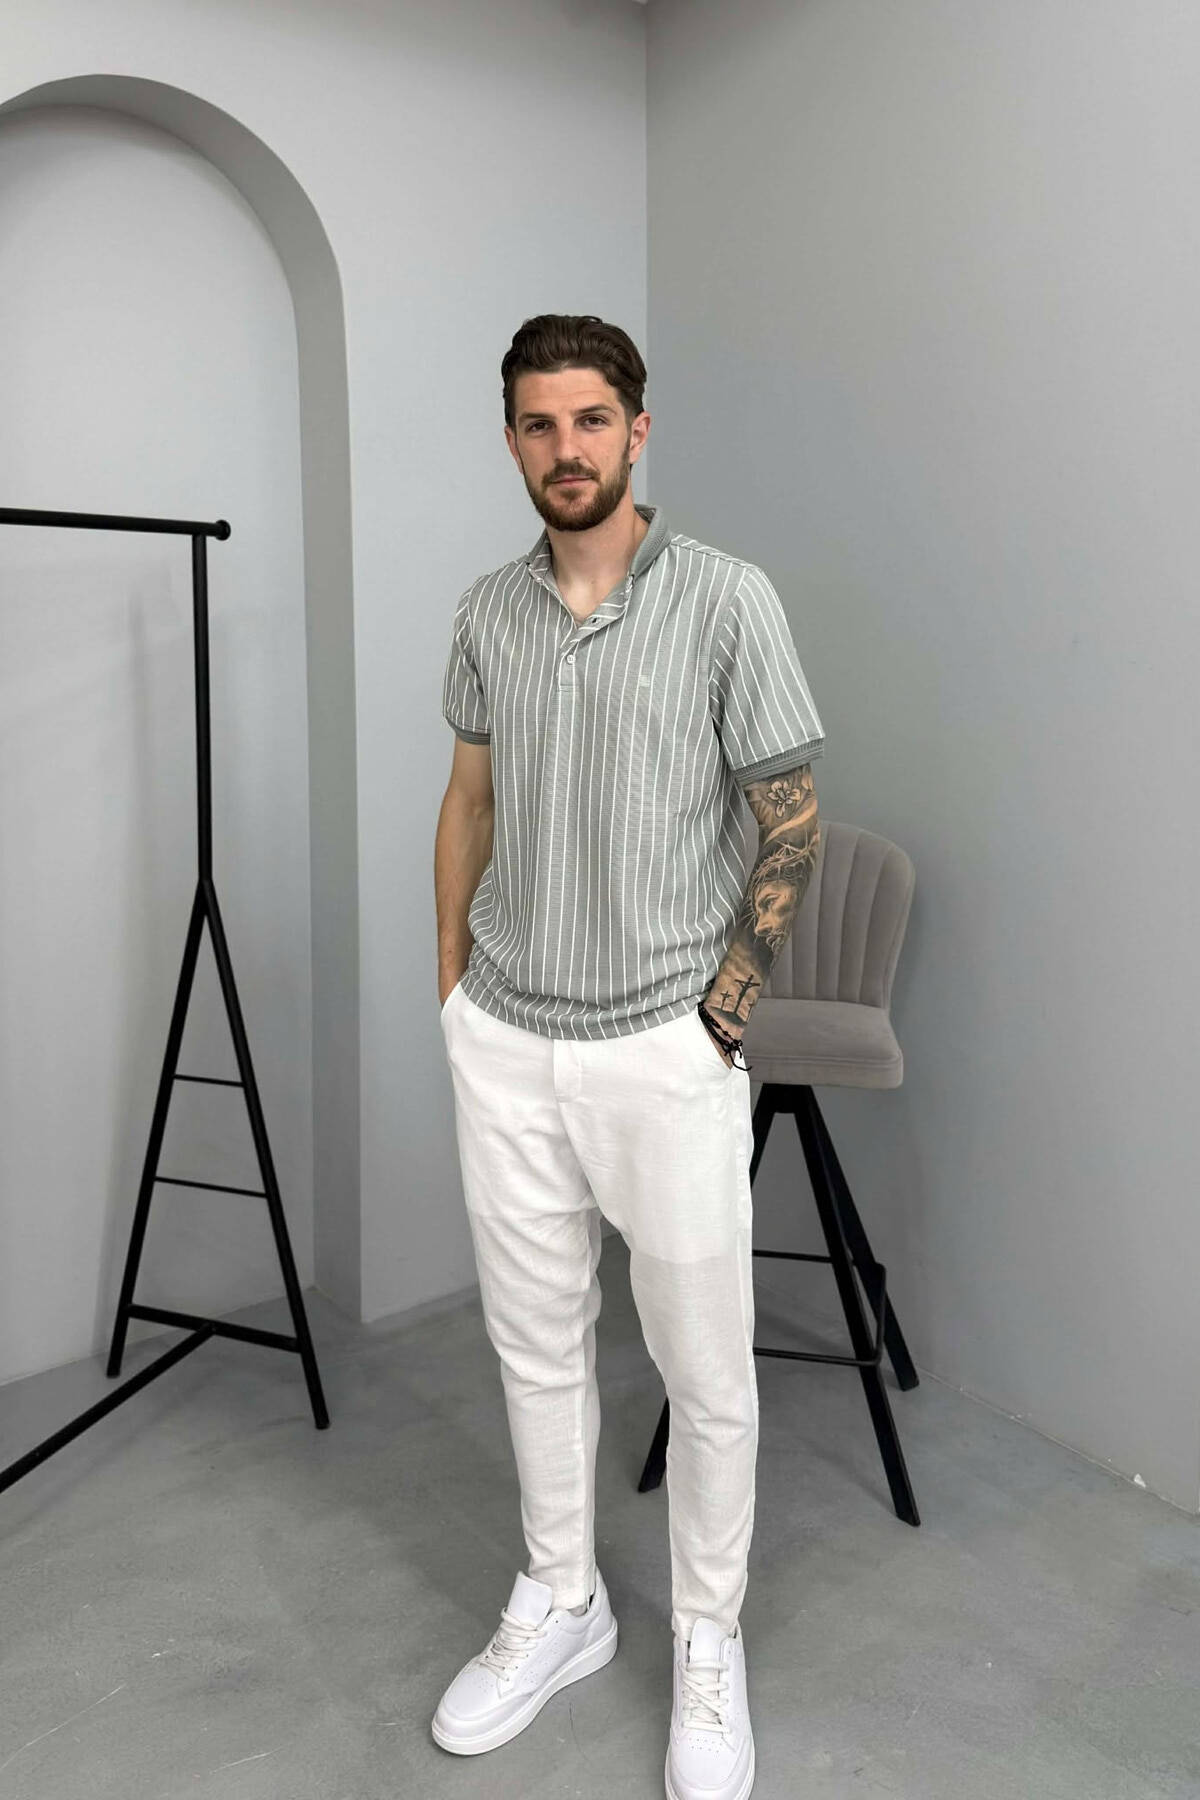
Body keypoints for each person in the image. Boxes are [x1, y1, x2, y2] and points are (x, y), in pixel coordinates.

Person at [431, 313, 825, 1800]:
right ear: (511, 440)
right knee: (534, 1346)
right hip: (508, 1038)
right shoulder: (488, 611)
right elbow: (468, 805)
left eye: (591, 420)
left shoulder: (727, 599)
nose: (567, 449)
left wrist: (726, 1010)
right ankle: (564, 1598)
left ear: (638, 431)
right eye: (539, 424)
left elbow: (791, 817)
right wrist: (454, 992)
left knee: (704, 1369)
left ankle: (708, 1637)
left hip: (666, 1045)